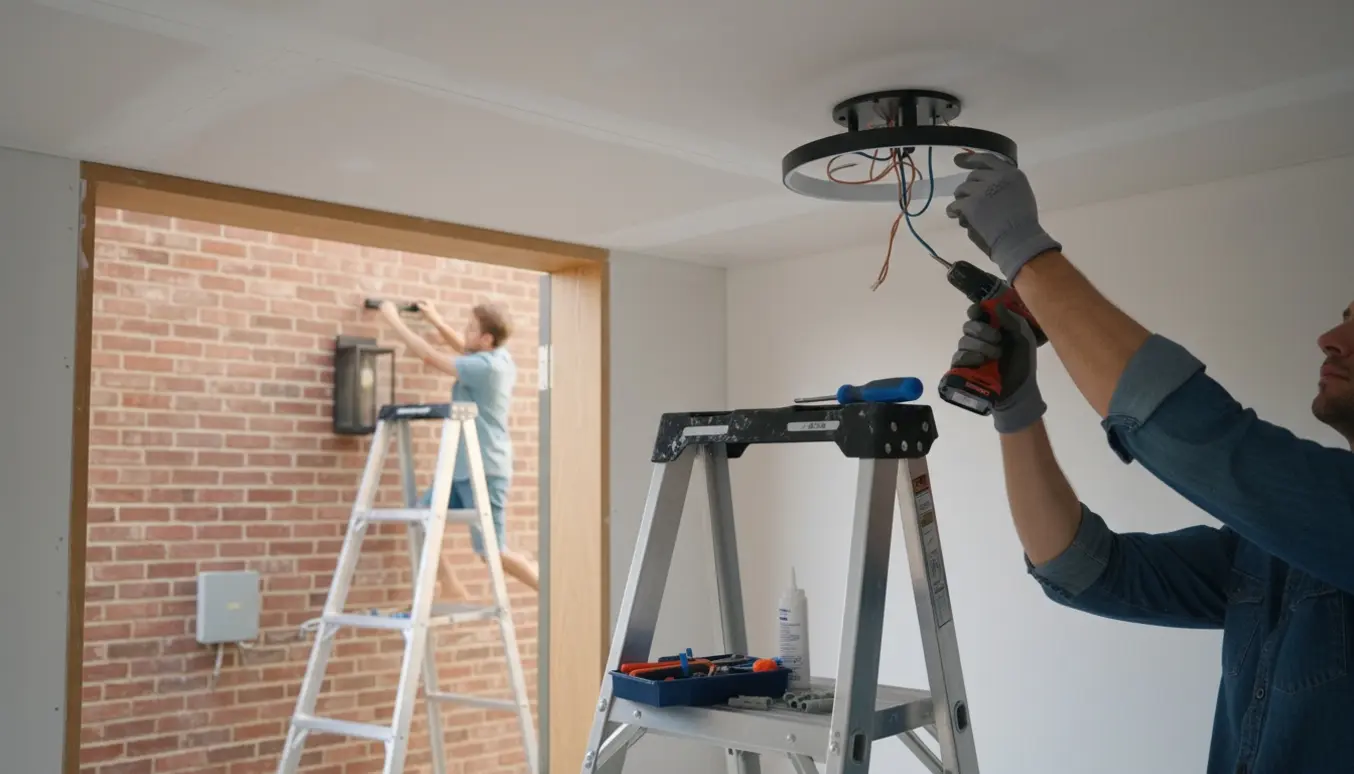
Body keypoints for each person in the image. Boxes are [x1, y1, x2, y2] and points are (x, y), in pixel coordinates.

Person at [943, 153, 1352, 773]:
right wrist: (1018, 411)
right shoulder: (1278, 547)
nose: (1330, 337)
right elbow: (1086, 571)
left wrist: (1023, 249)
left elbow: (1202, 439)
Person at [377, 299, 540, 596]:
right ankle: (450, 586)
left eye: (471, 328)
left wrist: (392, 319)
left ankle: (549, 587)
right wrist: (437, 321)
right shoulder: (496, 357)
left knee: (491, 551)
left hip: (485, 469)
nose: (464, 332)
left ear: (487, 339)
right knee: (421, 517)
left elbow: (429, 356)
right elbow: (464, 350)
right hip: (461, 468)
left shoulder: (487, 367)